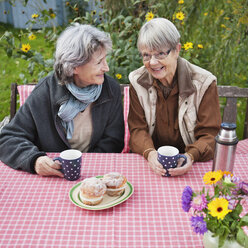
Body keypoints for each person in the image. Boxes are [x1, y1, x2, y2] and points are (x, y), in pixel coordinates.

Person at [0, 23, 124, 177]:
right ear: (74, 66)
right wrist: (34, 160)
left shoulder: (110, 89)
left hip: (94, 173)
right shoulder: (46, 92)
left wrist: (86, 169)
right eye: (99, 62)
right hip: (53, 176)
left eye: (105, 59)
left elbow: (114, 140)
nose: (106, 68)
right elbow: (8, 138)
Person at [128, 18, 221, 177]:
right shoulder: (138, 81)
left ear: (177, 50)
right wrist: (150, 154)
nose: (152, 62)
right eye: (146, 55)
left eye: (160, 53)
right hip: (152, 164)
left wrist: (190, 156)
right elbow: (138, 129)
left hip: (191, 164)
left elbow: (210, 135)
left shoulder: (204, 82)